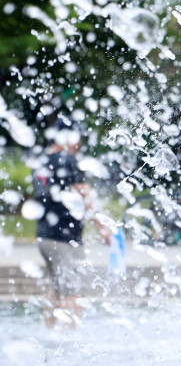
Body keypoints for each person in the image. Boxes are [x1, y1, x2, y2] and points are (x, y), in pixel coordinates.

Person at [32, 127, 111, 329]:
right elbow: (86, 196)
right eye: (78, 138)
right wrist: (102, 227)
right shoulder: (68, 160)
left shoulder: (41, 161)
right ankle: (69, 341)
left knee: (57, 288)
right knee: (74, 291)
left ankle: (48, 332)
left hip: (44, 237)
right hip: (64, 239)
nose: (79, 144)